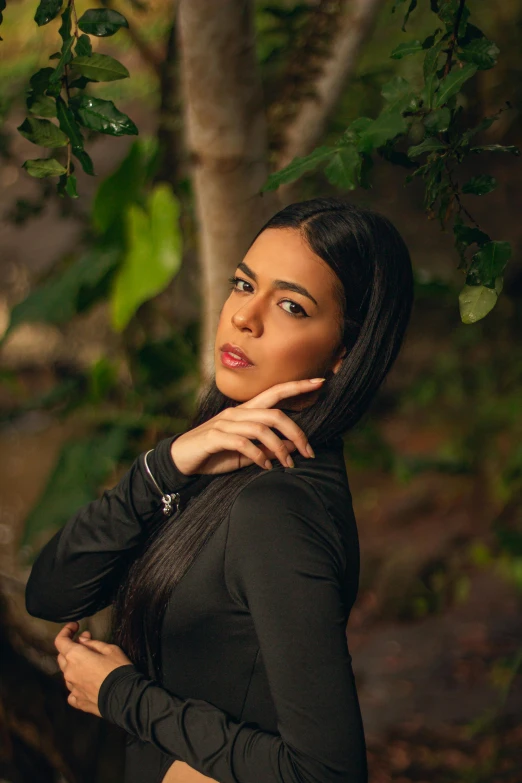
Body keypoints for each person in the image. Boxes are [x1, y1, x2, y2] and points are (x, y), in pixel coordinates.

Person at [25, 196, 414, 783]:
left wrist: (119, 694)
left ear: (343, 354)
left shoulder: (279, 508)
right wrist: (163, 466)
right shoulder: (218, 467)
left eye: (290, 305)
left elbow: (326, 772)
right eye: (242, 284)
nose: (244, 317)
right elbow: (51, 594)